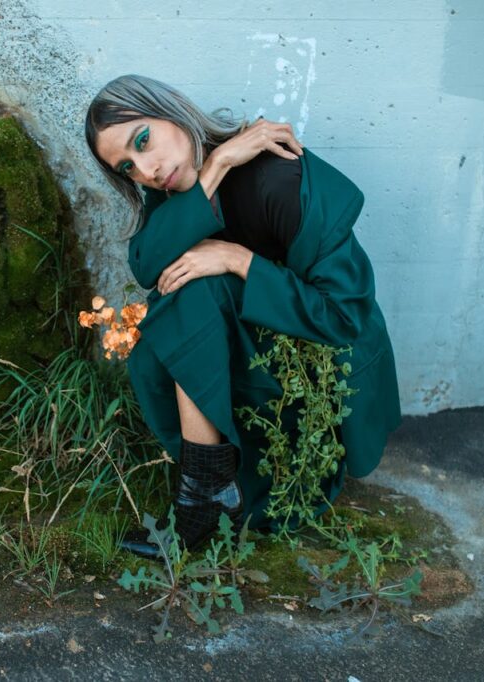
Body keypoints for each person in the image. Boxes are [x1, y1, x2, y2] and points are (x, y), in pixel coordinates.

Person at [83, 74, 402, 559]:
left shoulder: (278, 179)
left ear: (172, 110)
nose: (145, 169)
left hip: (324, 378)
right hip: (263, 361)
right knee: (169, 316)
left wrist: (237, 260)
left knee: (193, 291)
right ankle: (209, 489)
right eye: (128, 167)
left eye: (142, 140)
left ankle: (204, 494)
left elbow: (344, 319)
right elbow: (147, 265)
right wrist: (217, 165)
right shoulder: (175, 188)